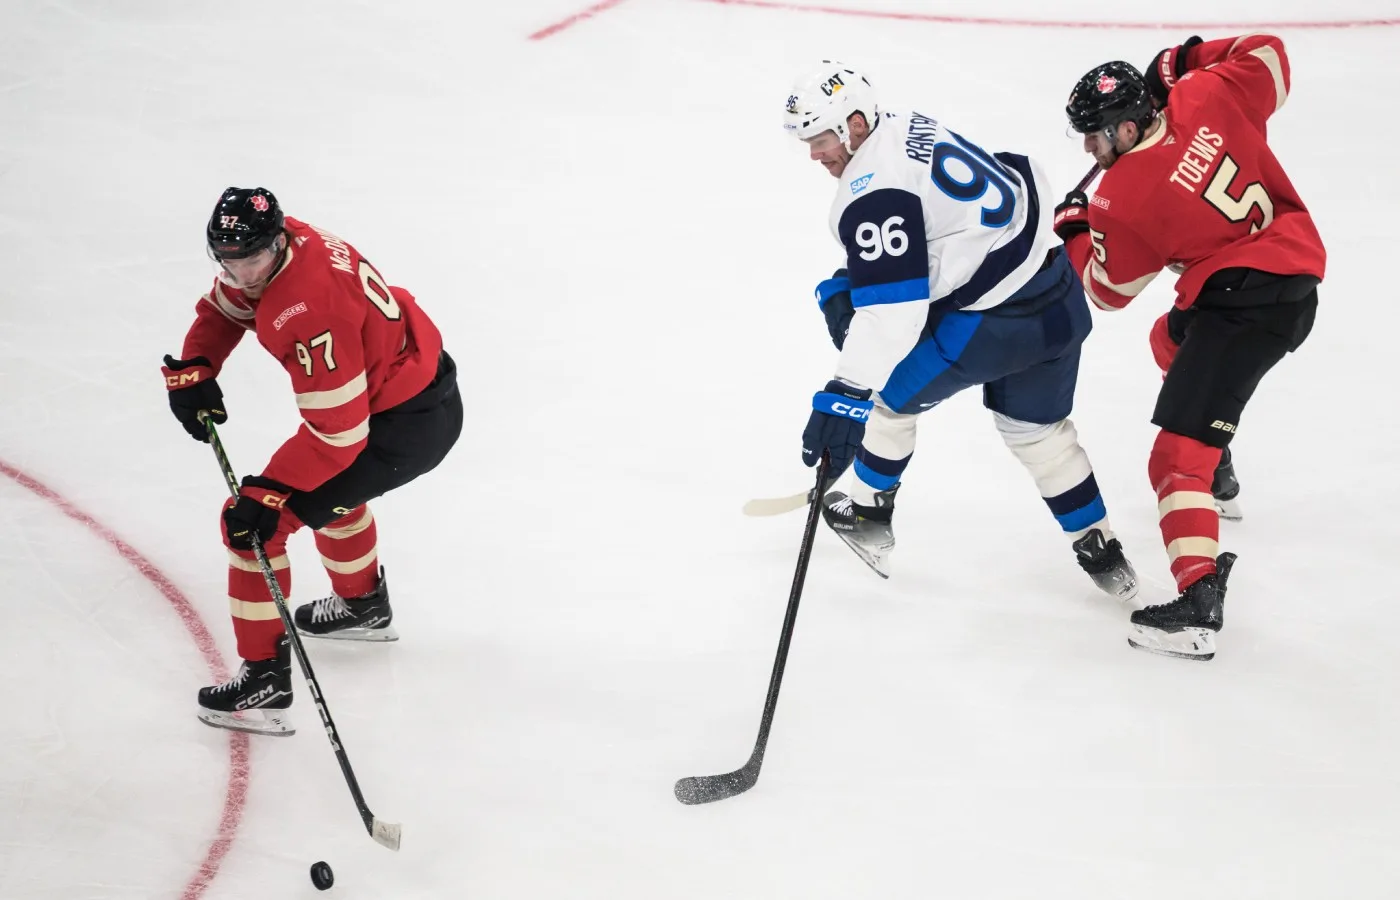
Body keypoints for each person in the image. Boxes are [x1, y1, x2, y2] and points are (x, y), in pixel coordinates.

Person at [783, 62, 1138, 601]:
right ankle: (1103, 551)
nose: (815, 153)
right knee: (1038, 433)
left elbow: (893, 316)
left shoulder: (871, 190)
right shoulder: (904, 125)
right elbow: (945, 227)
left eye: (822, 137)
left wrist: (844, 394)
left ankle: (869, 514)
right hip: (1059, 297)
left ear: (855, 123)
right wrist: (866, 279)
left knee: (883, 399)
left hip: (997, 325)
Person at [1055, 34, 1324, 660]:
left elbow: (1107, 290)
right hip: (1286, 273)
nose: (1091, 151)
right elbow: (1270, 58)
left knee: (1175, 461)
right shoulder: (1207, 92)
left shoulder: (1122, 199)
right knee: (1166, 339)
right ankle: (1219, 456)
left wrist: (1076, 228)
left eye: (1094, 137)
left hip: (1243, 309)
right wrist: (1182, 61)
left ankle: (1198, 600)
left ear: (1125, 128)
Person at [162, 187, 463, 734]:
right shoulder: (285, 244)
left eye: (248, 260)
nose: (238, 273)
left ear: (276, 243)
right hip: (413, 391)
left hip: (402, 425)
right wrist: (196, 363)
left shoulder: (307, 310)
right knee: (332, 497)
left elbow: (339, 435)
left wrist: (266, 490)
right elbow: (229, 304)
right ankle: (362, 605)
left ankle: (265, 681)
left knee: (254, 528)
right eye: (225, 261)